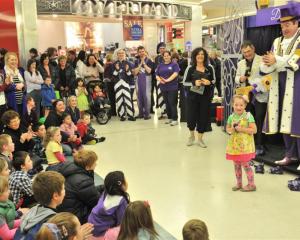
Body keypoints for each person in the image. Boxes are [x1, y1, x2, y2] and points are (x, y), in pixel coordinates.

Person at [260, 4, 300, 169]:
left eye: (287, 25)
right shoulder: (277, 41)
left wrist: (276, 61)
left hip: (297, 84)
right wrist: (269, 64)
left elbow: (294, 62)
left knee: (297, 120)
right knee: (284, 119)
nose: (284, 28)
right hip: (279, 85)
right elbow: (267, 65)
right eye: (282, 25)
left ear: (297, 23)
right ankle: (290, 154)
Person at [235, 41, 267, 155]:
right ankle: (248, 143)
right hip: (246, 96)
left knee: (259, 120)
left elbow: (268, 78)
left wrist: (258, 86)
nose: (247, 54)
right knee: (247, 120)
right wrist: (240, 79)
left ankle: (259, 145)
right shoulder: (240, 63)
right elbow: (236, 78)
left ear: (253, 49)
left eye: (248, 51)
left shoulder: (263, 60)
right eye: (244, 52)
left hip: (260, 95)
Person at [14, 171, 65, 239]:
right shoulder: (53, 223)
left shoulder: (32, 211)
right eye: (63, 188)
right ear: (55, 196)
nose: (65, 190)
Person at [58, 149, 101, 224]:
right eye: (94, 163)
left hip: (64, 210)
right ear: (87, 167)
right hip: (74, 217)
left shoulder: (70, 168)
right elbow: (96, 202)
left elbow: (87, 191)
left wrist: (103, 187)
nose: (96, 164)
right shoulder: (83, 181)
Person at [183, 47, 215, 147]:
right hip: (192, 98)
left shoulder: (210, 67)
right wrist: (194, 83)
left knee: (203, 118)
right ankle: (192, 136)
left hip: (205, 98)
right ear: (195, 56)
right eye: (198, 54)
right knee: (191, 117)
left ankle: (200, 139)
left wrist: (209, 82)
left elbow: (214, 81)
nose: (200, 56)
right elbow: (184, 82)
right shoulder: (190, 68)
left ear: (205, 56)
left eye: (202, 54)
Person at [226, 95, 257, 192]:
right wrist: (231, 129)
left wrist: (242, 129)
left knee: (246, 165)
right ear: (232, 105)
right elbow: (227, 129)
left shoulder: (248, 116)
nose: (238, 107)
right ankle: (239, 183)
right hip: (235, 147)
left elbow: (254, 130)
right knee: (236, 165)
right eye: (236, 105)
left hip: (245, 147)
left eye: (241, 105)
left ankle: (251, 184)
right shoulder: (231, 117)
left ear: (245, 106)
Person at [88, 171, 129, 238]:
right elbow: (121, 222)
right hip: (101, 233)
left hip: (91, 225)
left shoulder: (106, 192)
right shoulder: (121, 201)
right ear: (121, 185)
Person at [156, 50, 180, 126]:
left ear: (170, 56)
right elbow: (156, 75)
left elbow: (175, 74)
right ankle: (170, 118)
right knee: (167, 103)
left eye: (167, 55)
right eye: (164, 56)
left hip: (172, 87)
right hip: (163, 87)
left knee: (172, 103)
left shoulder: (174, 64)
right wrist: (160, 80)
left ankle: (175, 119)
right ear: (163, 57)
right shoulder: (160, 65)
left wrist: (167, 80)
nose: (166, 57)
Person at [112, 48, 135, 121]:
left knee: (128, 99)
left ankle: (130, 115)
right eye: (119, 53)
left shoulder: (129, 63)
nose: (121, 54)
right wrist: (117, 69)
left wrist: (127, 70)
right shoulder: (114, 64)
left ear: (125, 54)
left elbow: (130, 76)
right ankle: (122, 115)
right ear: (117, 55)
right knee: (119, 100)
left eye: (122, 53)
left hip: (126, 83)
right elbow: (113, 75)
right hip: (117, 84)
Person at [133, 46, 154, 120]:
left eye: (143, 51)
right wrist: (140, 64)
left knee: (147, 97)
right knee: (139, 97)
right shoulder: (136, 61)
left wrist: (144, 64)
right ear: (138, 53)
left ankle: (147, 114)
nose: (141, 53)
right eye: (140, 52)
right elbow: (135, 72)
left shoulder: (149, 61)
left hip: (147, 80)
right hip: (138, 80)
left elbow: (149, 71)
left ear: (145, 52)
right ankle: (140, 113)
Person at [153, 43, 167, 118]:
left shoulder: (168, 56)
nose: (162, 50)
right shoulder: (157, 58)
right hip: (159, 79)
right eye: (160, 48)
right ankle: (162, 111)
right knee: (160, 95)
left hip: (168, 79)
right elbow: (156, 69)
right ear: (158, 50)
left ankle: (169, 111)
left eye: (163, 48)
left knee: (167, 96)